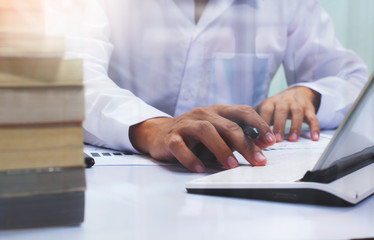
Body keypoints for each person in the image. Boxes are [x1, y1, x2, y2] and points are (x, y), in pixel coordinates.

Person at [67, 0, 368, 173]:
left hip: (233, 178)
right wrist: (151, 128)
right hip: (120, 178)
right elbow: (71, 78)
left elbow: (354, 81)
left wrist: (310, 94)